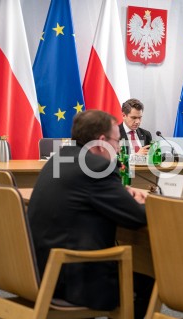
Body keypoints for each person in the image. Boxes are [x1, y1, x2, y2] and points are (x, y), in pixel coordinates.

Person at [27, 110, 153, 318]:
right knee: (149, 279)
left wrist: (119, 194)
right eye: (117, 141)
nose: (118, 147)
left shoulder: (61, 159)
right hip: (72, 279)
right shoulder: (97, 167)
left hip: (37, 270)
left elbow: (84, 196)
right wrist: (147, 203)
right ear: (101, 141)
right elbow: (137, 218)